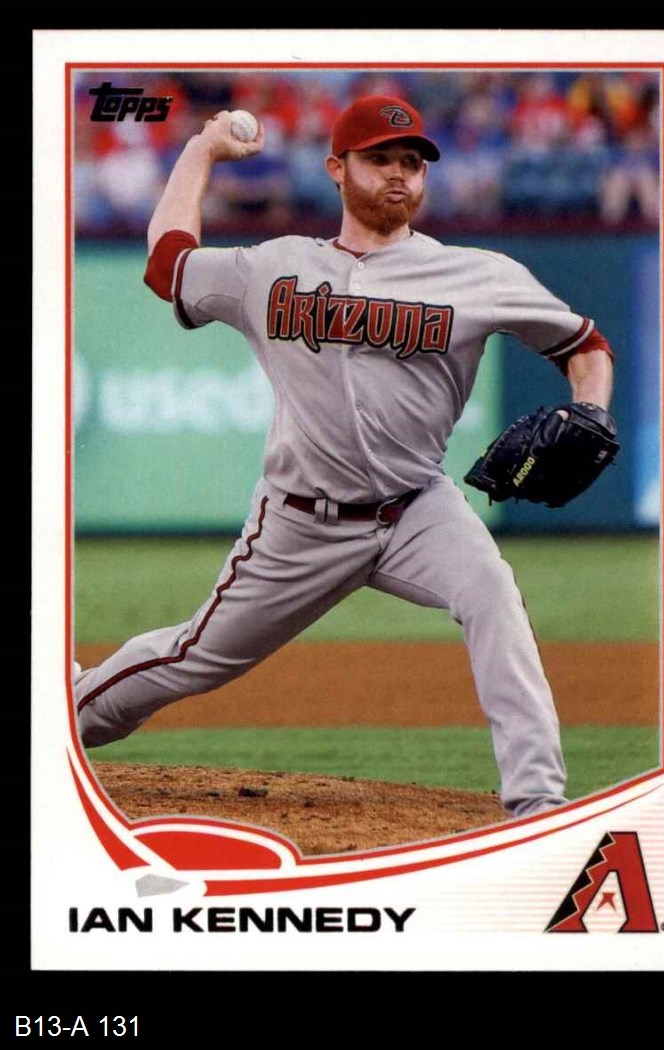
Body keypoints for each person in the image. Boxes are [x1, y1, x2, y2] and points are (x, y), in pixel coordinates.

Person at [74, 95, 614, 820]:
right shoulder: (274, 267)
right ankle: (65, 714)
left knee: (494, 594)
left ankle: (537, 805)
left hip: (418, 509)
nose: (399, 173)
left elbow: (584, 344)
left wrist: (590, 408)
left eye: (412, 162)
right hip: (300, 522)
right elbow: (168, 264)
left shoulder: (476, 275)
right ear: (336, 168)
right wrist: (200, 151)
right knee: (192, 657)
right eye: (380, 158)